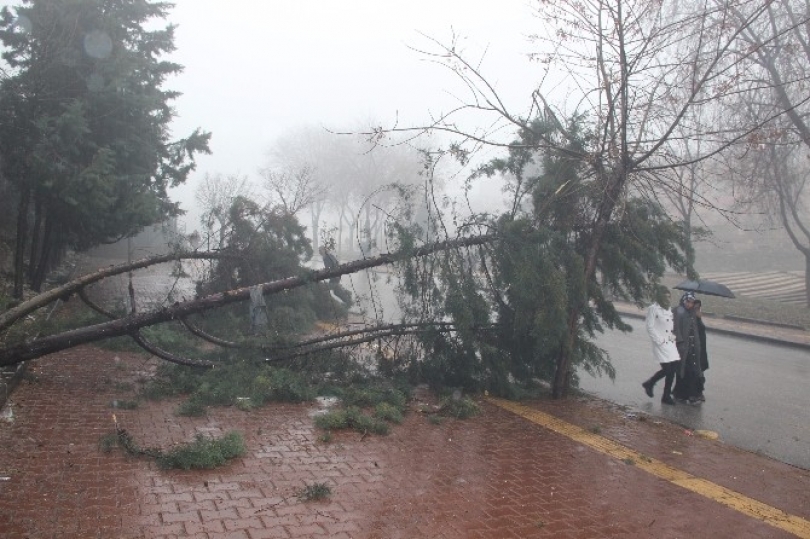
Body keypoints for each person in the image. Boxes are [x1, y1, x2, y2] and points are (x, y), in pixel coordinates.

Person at [642, 293, 681, 405]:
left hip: (670, 342)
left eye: (669, 297)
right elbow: (649, 326)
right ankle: (650, 383)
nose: (667, 299)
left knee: (673, 368)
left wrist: (672, 336)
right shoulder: (653, 308)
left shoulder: (668, 309)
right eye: (665, 296)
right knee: (667, 369)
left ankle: (666, 396)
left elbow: (669, 325)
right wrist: (659, 340)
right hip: (660, 343)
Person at [672, 292, 704, 404]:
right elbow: (675, 328)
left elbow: (697, 329)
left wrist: (697, 344)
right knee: (683, 371)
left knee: (693, 370)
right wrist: (680, 343)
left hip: (693, 346)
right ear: (684, 301)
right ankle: (683, 394)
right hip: (682, 346)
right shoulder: (678, 311)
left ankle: (692, 394)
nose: (690, 304)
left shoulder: (692, 313)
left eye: (692, 302)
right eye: (688, 302)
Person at [693, 298, 709, 402]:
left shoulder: (698, 319)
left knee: (700, 370)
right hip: (695, 349)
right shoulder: (692, 319)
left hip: (701, 349)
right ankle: (698, 392)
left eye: (699, 308)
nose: (698, 310)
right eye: (696, 308)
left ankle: (699, 392)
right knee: (698, 372)